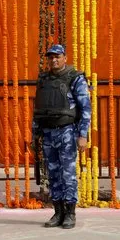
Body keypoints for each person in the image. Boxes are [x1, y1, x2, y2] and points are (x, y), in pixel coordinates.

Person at [32, 44, 91, 229]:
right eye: (50, 57)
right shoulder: (43, 80)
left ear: (65, 57)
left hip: (67, 131)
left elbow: (85, 108)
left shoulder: (75, 78)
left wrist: (82, 135)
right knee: (53, 174)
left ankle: (70, 213)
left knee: (68, 174)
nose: (53, 60)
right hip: (48, 133)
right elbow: (38, 109)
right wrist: (34, 135)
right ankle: (58, 212)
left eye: (57, 56)